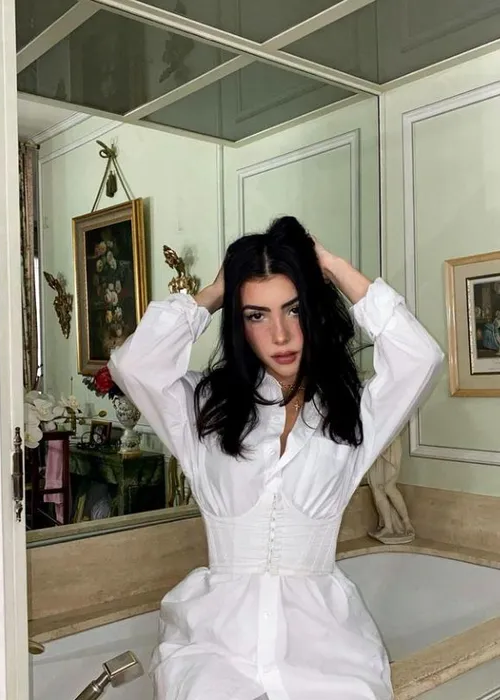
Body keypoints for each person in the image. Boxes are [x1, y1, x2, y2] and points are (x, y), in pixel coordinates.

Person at [108, 216, 443, 700]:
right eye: (256, 315)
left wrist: (331, 266)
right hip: (215, 651)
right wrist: (216, 291)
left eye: (293, 309)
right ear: (239, 323)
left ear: (313, 309)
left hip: (325, 653)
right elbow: (134, 364)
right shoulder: (203, 410)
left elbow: (421, 359)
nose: (280, 335)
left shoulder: (351, 415)